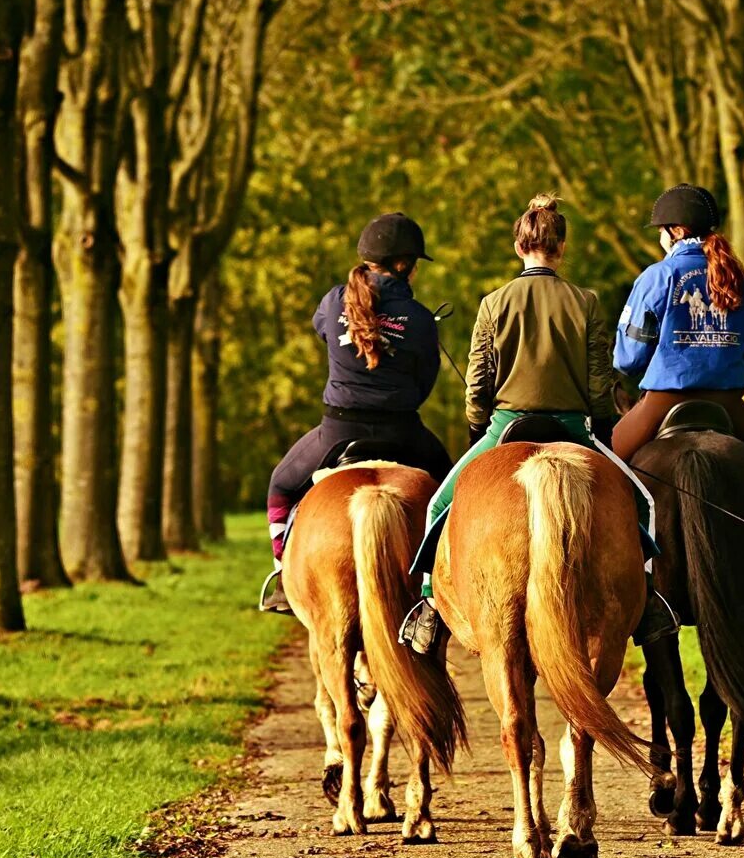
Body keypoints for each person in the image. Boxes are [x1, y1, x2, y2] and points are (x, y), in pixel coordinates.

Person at [403, 193, 670, 652]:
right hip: (573, 426)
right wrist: (602, 426)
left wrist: (476, 425)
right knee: (642, 502)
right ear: (561, 247)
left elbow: (478, 382)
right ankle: (646, 605)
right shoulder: (586, 301)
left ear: (519, 247)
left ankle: (429, 607)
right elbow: (599, 378)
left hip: (506, 424)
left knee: (436, 508)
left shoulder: (493, 302)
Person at [259, 212, 454, 614]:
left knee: (280, 486)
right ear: (404, 265)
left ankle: (282, 575)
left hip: (336, 431)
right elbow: (425, 382)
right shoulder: (418, 318)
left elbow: (322, 331)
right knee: (454, 494)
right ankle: (445, 582)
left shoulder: (334, 301)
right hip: (404, 432)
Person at [612, 183, 744, 497]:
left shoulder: (658, 276)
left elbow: (629, 357)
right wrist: (729, 376)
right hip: (727, 401)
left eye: (661, 231)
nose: (659, 238)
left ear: (677, 231)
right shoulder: (743, 281)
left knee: (602, 471)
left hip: (663, 401)